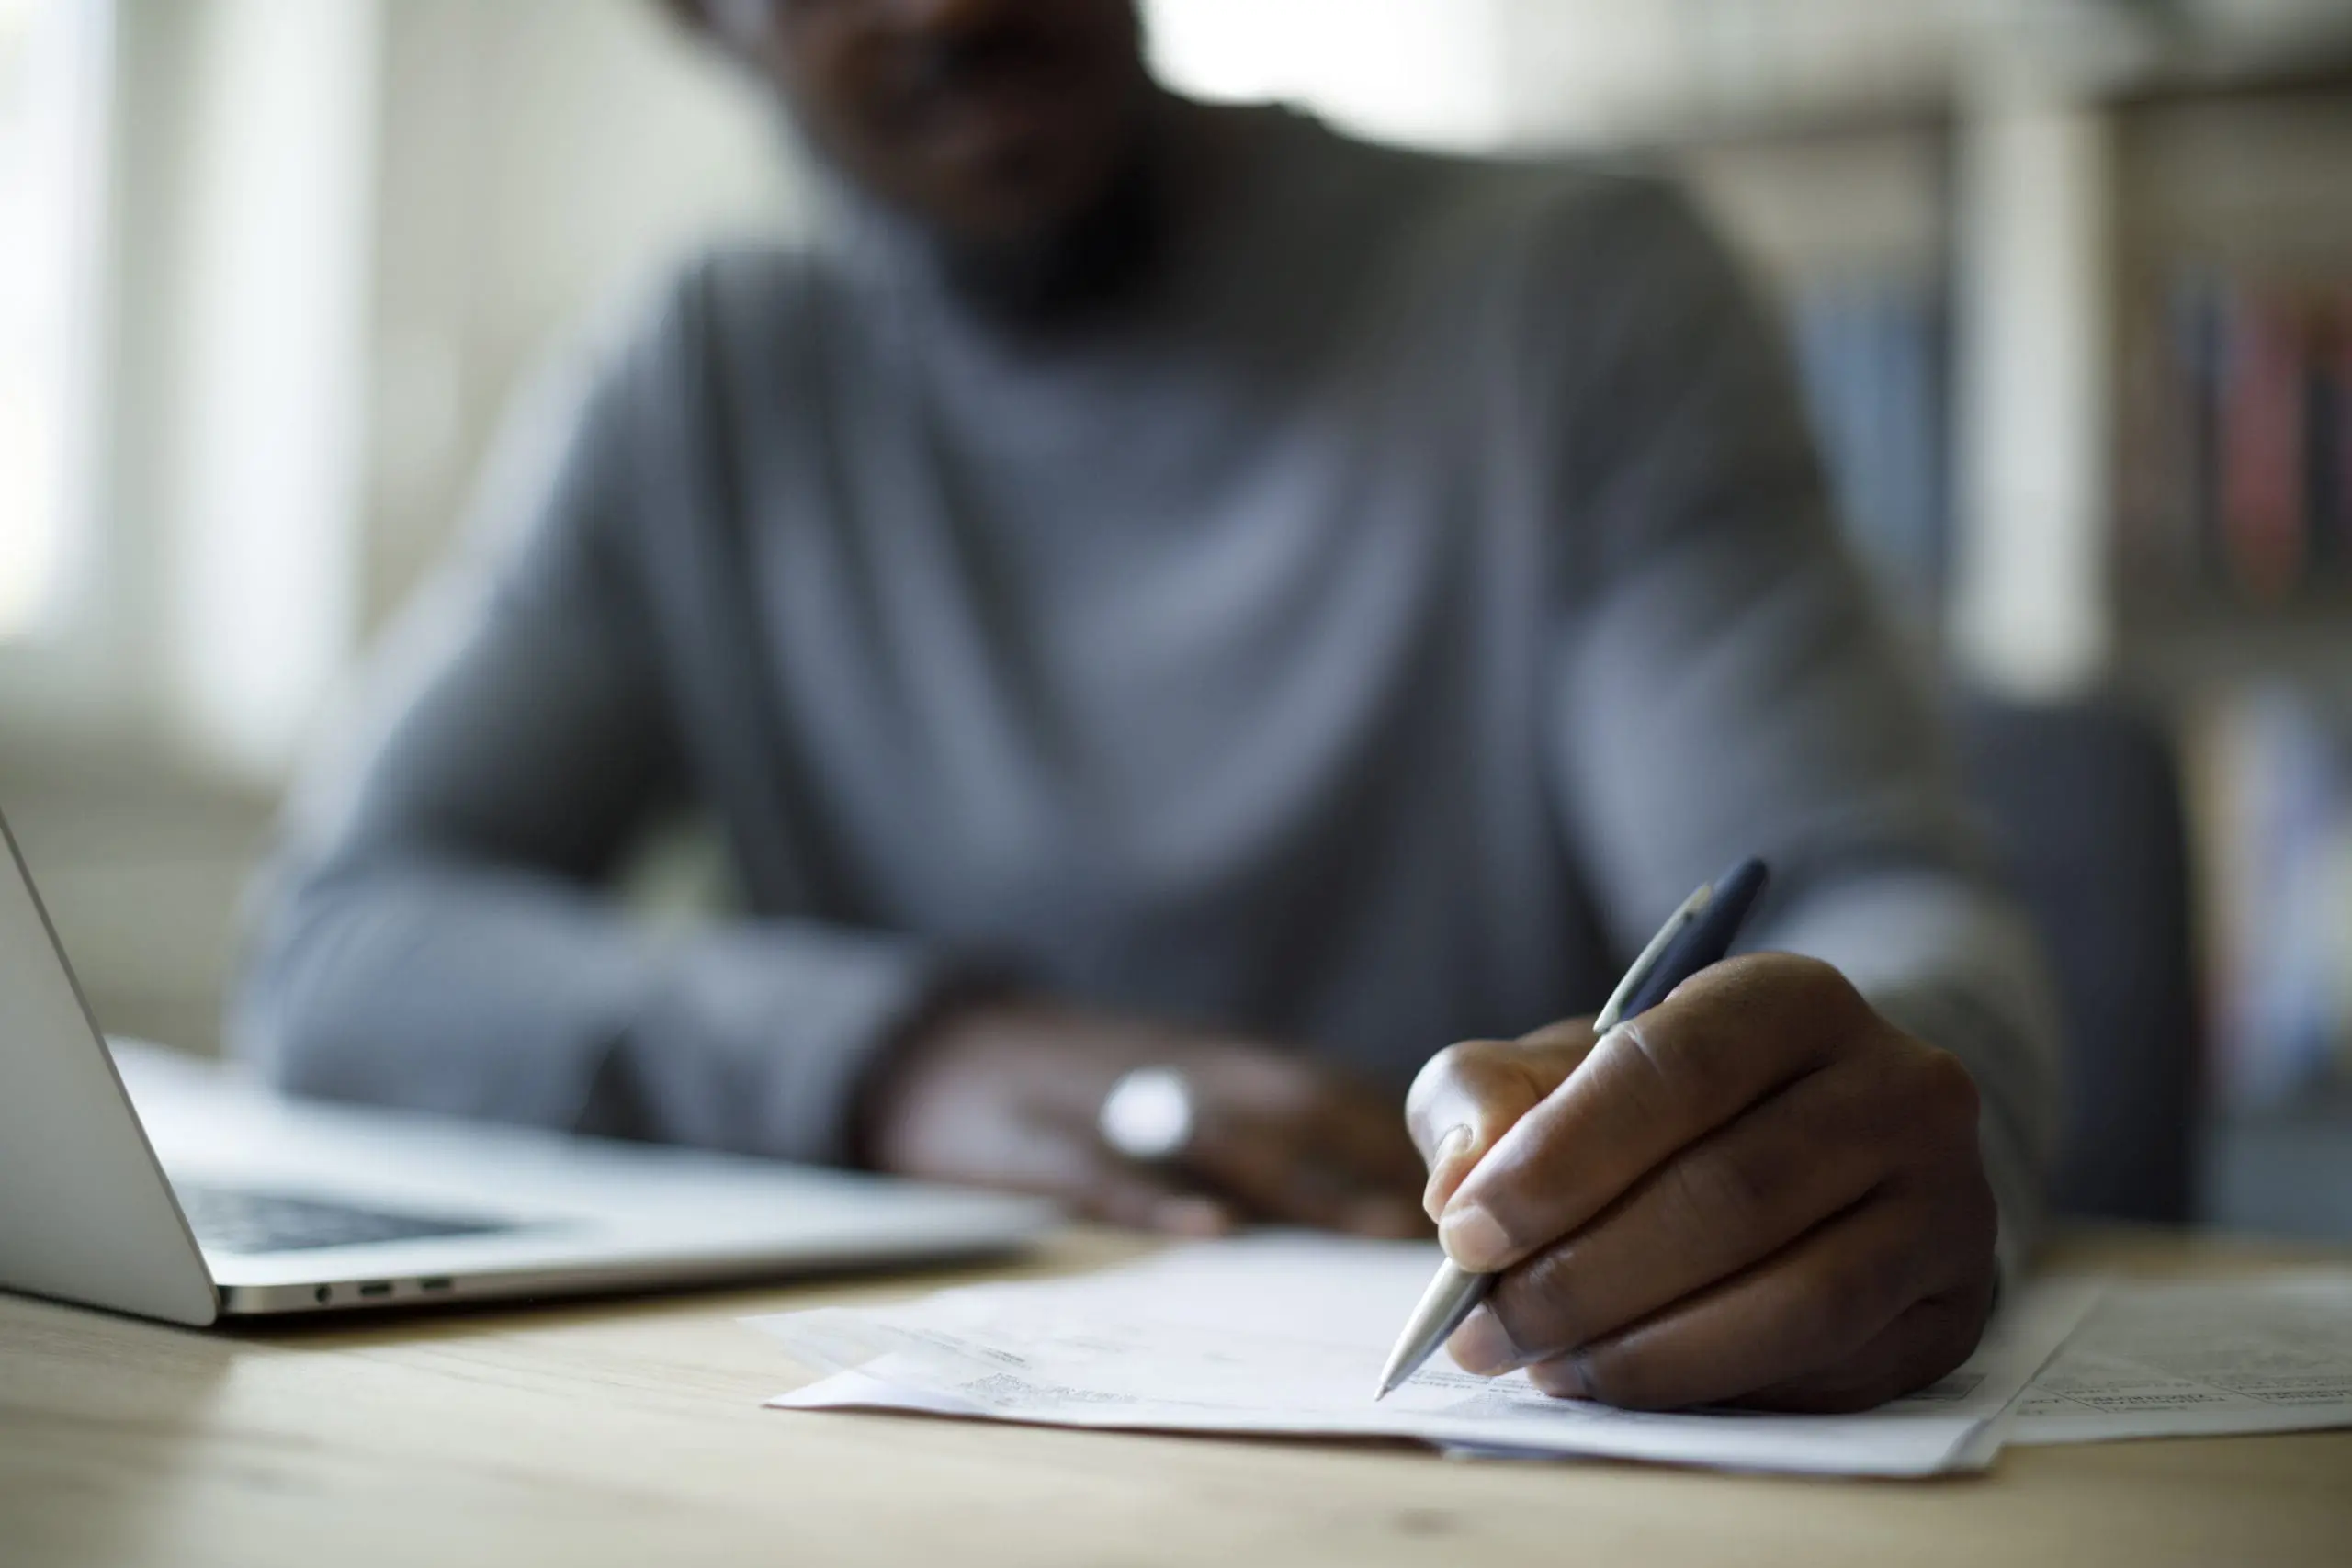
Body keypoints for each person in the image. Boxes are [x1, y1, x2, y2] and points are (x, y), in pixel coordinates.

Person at [233, 0, 2060, 1415]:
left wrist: (1879, 1134)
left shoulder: (1571, 301)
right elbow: (342, 941)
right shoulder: (702, 383)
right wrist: (903, 1057)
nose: (950, 3)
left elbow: (1872, 909)